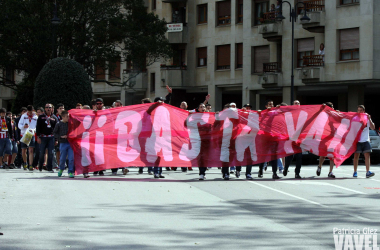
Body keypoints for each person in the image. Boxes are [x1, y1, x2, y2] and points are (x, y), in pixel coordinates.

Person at [258, 100, 280, 179]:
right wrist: (260, 112)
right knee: (264, 155)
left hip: (273, 137)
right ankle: (260, 170)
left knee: (274, 156)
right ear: (266, 106)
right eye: (269, 104)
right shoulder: (263, 113)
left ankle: (274, 173)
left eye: (272, 104)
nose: (271, 105)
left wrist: (279, 108)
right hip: (265, 137)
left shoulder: (275, 113)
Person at [353, 105, 375, 178]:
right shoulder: (355, 119)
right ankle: (355, 171)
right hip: (358, 140)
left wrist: (369, 119)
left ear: (364, 111)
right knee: (356, 156)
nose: (360, 111)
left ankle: (368, 172)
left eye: (361, 110)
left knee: (367, 156)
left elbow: (373, 127)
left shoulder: (367, 119)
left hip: (366, 140)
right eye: (358, 110)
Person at [36, 103, 58, 173]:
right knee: (42, 152)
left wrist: (56, 139)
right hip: (43, 137)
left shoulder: (54, 117)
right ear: (45, 108)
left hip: (51, 137)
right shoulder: (41, 117)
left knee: (51, 152)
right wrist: (38, 136)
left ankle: (50, 167)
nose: (48, 109)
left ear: (52, 108)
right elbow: (38, 127)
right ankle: (40, 166)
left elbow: (56, 129)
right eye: (47, 107)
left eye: (50, 107)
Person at [316, 102, 336, 178]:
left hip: (333, 137)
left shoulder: (335, 114)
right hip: (325, 137)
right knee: (323, 154)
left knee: (332, 155)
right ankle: (319, 166)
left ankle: (330, 172)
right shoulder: (323, 115)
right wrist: (322, 108)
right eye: (331, 107)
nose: (333, 108)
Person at [284, 100, 303, 178]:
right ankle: (286, 168)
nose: (297, 104)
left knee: (299, 157)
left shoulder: (303, 113)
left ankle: (297, 173)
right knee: (289, 156)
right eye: (296, 103)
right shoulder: (289, 114)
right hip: (290, 138)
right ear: (292, 105)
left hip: (299, 138)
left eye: (298, 103)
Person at [53, 110, 75, 178]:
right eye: (67, 117)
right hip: (63, 143)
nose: (68, 118)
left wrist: (70, 136)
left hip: (70, 143)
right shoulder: (59, 124)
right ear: (62, 117)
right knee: (62, 158)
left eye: (69, 117)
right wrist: (60, 137)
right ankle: (61, 168)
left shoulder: (71, 123)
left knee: (71, 158)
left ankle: (70, 171)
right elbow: (54, 133)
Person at [18, 105, 38, 171]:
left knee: (31, 150)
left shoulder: (35, 116)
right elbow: (19, 125)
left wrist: (33, 130)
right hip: (24, 134)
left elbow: (37, 126)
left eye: (31, 112)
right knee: (24, 150)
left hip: (31, 134)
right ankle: (25, 162)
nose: (30, 113)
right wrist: (24, 126)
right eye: (29, 112)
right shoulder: (23, 116)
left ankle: (30, 165)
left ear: (33, 110)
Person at [55, 104, 64, 168]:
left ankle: (63, 162)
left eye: (63, 108)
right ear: (57, 110)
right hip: (58, 136)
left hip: (65, 136)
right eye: (60, 108)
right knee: (58, 150)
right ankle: (59, 164)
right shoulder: (55, 117)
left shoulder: (66, 117)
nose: (62, 110)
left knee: (64, 150)